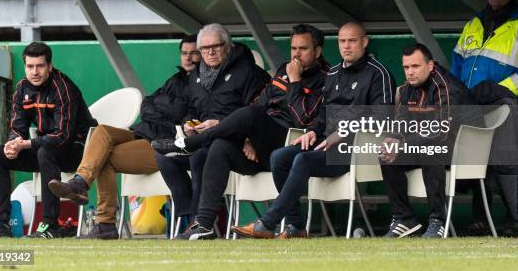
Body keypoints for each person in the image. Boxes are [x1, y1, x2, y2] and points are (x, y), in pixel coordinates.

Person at [156, 24, 329, 239]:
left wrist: (295, 81)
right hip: (259, 146)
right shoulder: (284, 69)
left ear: (317, 51)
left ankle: (190, 144)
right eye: (293, 48)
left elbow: (303, 118)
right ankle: (204, 225)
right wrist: (247, 136)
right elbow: (260, 103)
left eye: (302, 49)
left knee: (248, 115)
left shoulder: (326, 77)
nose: (296, 54)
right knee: (220, 146)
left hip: (289, 144)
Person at [232, 21, 396, 239]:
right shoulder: (335, 73)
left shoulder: (379, 73)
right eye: (342, 41)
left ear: (364, 42)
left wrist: (342, 132)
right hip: (326, 144)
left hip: (358, 147)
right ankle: (296, 226)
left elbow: (381, 119)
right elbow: (323, 114)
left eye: (352, 41)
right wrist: (311, 130)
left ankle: (267, 222)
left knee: (303, 160)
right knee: (280, 157)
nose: (346, 46)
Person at [47, 35, 200, 239]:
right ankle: (80, 182)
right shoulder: (176, 80)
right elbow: (147, 104)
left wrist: (162, 109)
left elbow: (182, 112)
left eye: (194, 53)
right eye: (184, 53)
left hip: (164, 143)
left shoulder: (201, 83)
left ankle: (105, 224)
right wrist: (164, 109)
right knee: (102, 132)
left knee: (103, 158)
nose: (188, 58)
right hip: (142, 132)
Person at [152, 23, 270, 238]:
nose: (210, 52)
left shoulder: (248, 72)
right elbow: (191, 109)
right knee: (164, 158)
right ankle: (188, 218)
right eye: (205, 49)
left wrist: (228, 128)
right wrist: (190, 124)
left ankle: (201, 220)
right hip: (202, 139)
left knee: (200, 155)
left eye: (216, 46)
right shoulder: (196, 76)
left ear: (229, 47)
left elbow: (258, 112)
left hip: (234, 144)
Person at [451, 0, 518, 235]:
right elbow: (456, 68)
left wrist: (500, 90)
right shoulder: (474, 23)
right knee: (478, 162)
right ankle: (481, 219)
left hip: (506, 104)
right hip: (472, 105)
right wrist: (460, 97)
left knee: (512, 164)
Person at [0, 42, 97, 239]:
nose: (35, 72)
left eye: (40, 66)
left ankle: (51, 226)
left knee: (45, 150)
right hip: (46, 152)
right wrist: (13, 144)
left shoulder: (63, 87)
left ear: (49, 66)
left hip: (77, 152)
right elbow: (17, 127)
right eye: (30, 66)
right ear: (25, 66)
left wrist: (27, 144)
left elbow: (62, 136)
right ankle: (0, 226)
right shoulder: (22, 88)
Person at [381, 43, 476, 238]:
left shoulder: (446, 87)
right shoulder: (408, 89)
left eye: (415, 66)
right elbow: (400, 123)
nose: (410, 73)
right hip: (428, 147)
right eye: (406, 67)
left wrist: (405, 143)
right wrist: (393, 138)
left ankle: (438, 221)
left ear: (430, 65)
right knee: (386, 153)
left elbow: (441, 132)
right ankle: (404, 218)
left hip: (466, 151)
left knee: (430, 148)